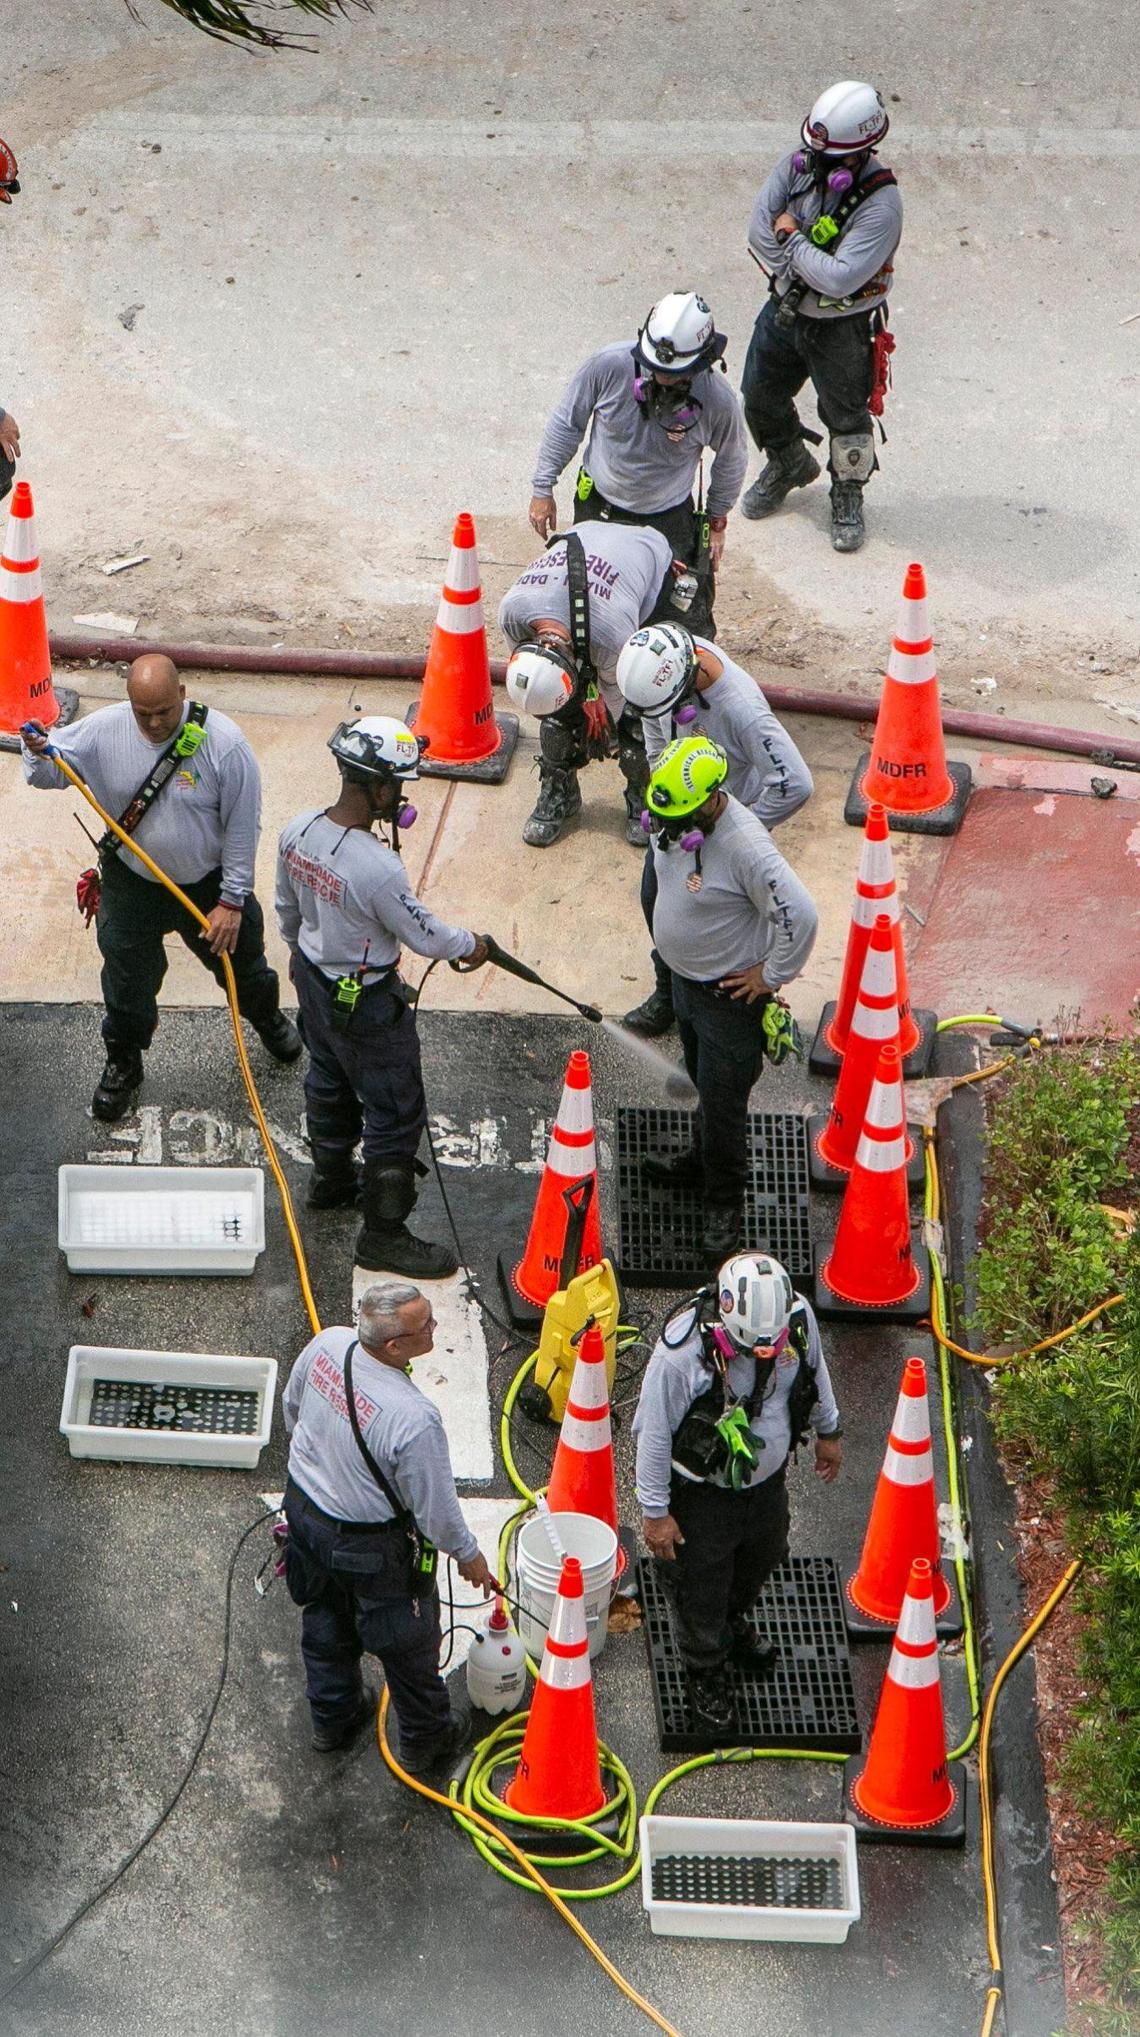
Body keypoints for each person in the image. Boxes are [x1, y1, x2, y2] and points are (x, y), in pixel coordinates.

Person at [22, 654, 299, 1121]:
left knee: (243, 966)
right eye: (142, 713)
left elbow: (242, 828)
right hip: (135, 882)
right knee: (127, 979)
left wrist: (232, 901)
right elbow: (49, 774)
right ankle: (124, 1062)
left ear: (183, 695)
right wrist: (35, 749)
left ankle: (266, 1018)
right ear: (128, 704)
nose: (153, 724)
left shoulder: (225, 746)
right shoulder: (102, 731)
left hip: (208, 887)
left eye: (164, 712)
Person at [275, 714, 492, 1280]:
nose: (398, 797)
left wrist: (306, 957)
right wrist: (473, 944)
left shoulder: (297, 831)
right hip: (367, 1004)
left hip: (314, 983)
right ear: (376, 787)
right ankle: (384, 1236)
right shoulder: (376, 867)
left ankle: (331, 1182)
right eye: (396, 785)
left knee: (328, 1076)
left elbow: (286, 912)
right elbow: (426, 934)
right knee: (395, 1112)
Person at [282, 1280, 495, 1768]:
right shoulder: (414, 1419)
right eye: (427, 1325)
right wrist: (469, 1557)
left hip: (305, 1517)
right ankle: (424, 1740)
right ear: (395, 1345)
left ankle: (331, 1721)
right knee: (406, 1641)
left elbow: (293, 1412)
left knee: (325, 1616)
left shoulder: (328, 1345)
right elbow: (435, 1513)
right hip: (369, 1547)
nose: (435, 1327)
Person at [633, 1252, 842, 1733]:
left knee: (767, 1552)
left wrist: (829, 1431)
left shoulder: (797, 1317)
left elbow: (815, 1368)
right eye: (754, 1349)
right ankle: (705, 1665)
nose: (766, 1355)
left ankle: (730, 1621)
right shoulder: (680, 1357)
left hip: (765, 1486)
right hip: (703, 1497)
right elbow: (653, 1434)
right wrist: (655, 1513)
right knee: (701, 1580)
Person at [639, 733, 817, 1259]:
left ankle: (723, 1202)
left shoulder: (747, 848)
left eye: (678, 821)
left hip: (728, 1000)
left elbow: (801, 915)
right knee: (701, 1081)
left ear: (714, 799)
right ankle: (700, 1156)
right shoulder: (671, 811)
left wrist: (772, 974)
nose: (664, 830)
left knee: (724, 1106)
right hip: (684, 982)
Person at [616, 622, 814, 1037]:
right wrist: (666, 797)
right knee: (654, 896)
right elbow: (656, 738)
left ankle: (741, 1007)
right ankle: (669, 990)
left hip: (719, 821)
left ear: (693, 678)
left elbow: (795, 783)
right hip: (681, 817)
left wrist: (738, 833)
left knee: (721, 920)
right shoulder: (661, 672)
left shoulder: (742, 711)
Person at [528, 292, 748, 640]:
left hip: (667, 520)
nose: (660, 380)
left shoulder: (718, 401)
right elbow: (568, 423)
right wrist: (543, 488)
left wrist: (717, 520)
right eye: (654, 369)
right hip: (599, 507)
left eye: (673, 375)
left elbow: (733, 458)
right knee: (586, 606)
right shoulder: (607, 366)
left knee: (678, 619)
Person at [741, 81, 902, 553]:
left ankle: (847, 492)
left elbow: (840, 280)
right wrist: (804, 259)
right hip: (786, 309)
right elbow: (758, 232)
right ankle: (789, 460)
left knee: (847, 417)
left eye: (827, 158)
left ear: (857, 156)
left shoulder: (882, 207)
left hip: (844, 328)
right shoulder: (798, 163)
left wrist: (791, 240)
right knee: (758, 393)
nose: (813, 163)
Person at [499, 518, 675, 846]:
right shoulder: (512, 613)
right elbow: (532, 672)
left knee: (636, 721)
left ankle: (642, 792)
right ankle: (560, 792)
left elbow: (617, 699)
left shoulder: (611, 636)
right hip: (589, 539)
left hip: (648, 558)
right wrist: (564, 716)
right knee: (557, 722)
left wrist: (601, 734)